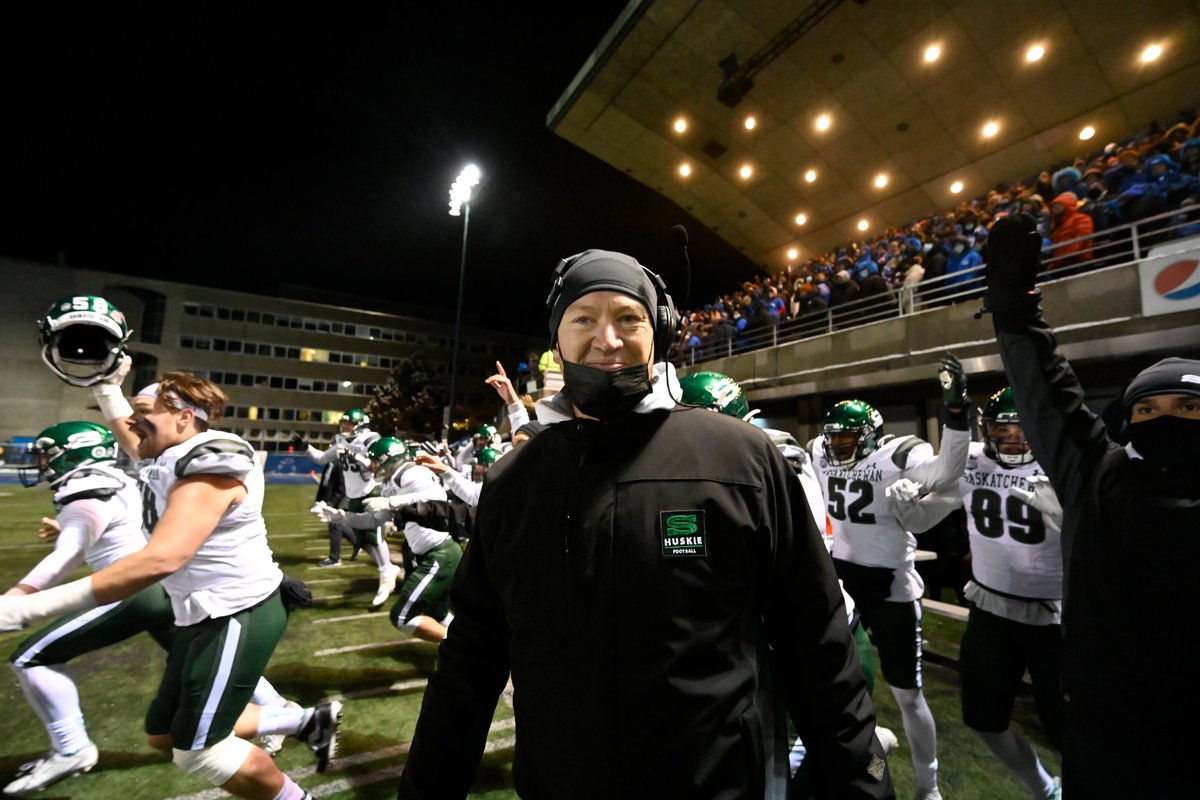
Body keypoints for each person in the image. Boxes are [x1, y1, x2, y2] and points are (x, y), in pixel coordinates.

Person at [398, 248, 891, 799]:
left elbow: (815, 643)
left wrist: (863, 782)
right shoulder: (516, 480)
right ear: (556, 339)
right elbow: (470, 660)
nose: (607, 340)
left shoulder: (740, 460)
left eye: (628, 318)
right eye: (584, 318)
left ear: (657, 331)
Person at [0, 370, 340, 800]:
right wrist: (107, 387)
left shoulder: (211, 463)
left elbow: (163, 558)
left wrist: (20, 609)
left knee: (201, 752)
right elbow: (132, 435)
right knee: (163, 736)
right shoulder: (168, 453)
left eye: (143, 413)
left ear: (184, 418)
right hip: (197, 611)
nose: (128, 425)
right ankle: (304, 722)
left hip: (235, 611)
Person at [982, 211, 1200, 797]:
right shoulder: (1099, 476)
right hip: (1104, 735)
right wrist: (1012, 306)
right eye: (1148, 411)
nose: (1166, 421)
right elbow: (1046, 386)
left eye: (1187, 409)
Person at [888, 387, 1064, 800]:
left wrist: (1072, 518)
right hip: (991, 609)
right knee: (985, 720)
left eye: (1022, 429)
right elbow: (924, 515)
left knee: (1074, 730)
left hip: (1059, 616)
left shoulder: (1065, 460)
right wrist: (905, 506)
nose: (1012, 438)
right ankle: (1045, 790)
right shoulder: (973, 460)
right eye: (1003, 429)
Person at [808, 364, 971, 800]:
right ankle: (859, 744)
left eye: (848, 437)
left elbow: (947, 473)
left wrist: (954, 415)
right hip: (840, 576)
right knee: (835, 678)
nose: (838, 445)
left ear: (870, 435)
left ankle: (928, 784)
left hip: (891, 584)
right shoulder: (817, 452)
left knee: (908, 694)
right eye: (834, 436)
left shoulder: (898, 455)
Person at [313, 437, 459, 643]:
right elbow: (374, 521)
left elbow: (436, 496)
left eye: (375, 460)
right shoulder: (390, 483)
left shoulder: (410, 472)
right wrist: (344, 517)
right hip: (428, 554)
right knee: (440, 614)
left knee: (401, 617)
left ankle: (462, 647)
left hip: (440, 553)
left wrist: (392, 501)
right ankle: (472, 644)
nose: (371, 465)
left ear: (389, 458)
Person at [294, 409, 400, 606]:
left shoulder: (370, 439)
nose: (345, 427)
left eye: (349, 423)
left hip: (371, 492)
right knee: (362, 539)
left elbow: (380, 464)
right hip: (353, 496)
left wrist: (358, 458)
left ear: (360, 424)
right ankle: (386, 567)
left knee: (374, 537)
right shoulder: (342, 441)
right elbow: (322, 458)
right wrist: (306, 447)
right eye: (344, 423)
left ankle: (386, 573)